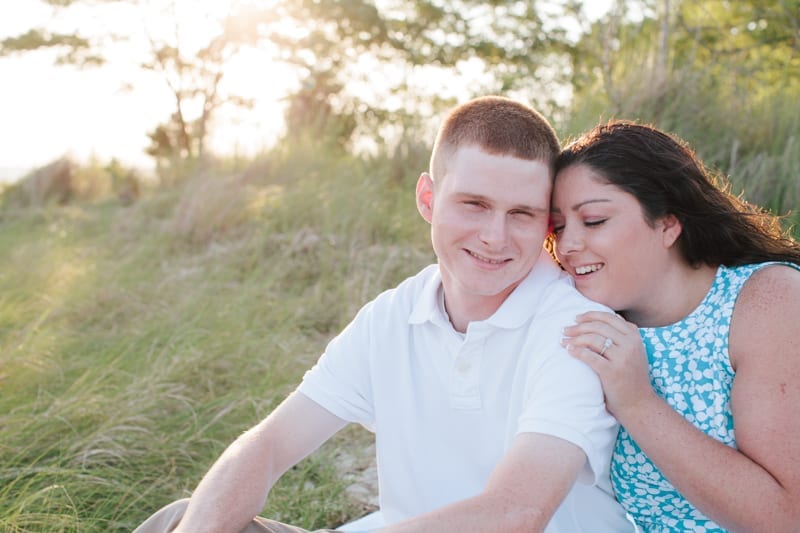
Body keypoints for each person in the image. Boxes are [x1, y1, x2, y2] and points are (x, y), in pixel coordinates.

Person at [135, 97, 633, 533]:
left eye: (521, 214)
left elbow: (514, 515)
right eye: (474, 204)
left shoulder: (577, 327)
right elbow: (268, 445)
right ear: (428, 199)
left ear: (546, 220)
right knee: (182, 518)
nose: (494, 237)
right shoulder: (392, 318)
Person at [551, 120, 800, 532]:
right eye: (558, 227)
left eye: (593, 220)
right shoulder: (585, 315)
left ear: (667, 223)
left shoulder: (768, 301)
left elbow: (787, 518)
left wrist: (636, 403)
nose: (568, 245)